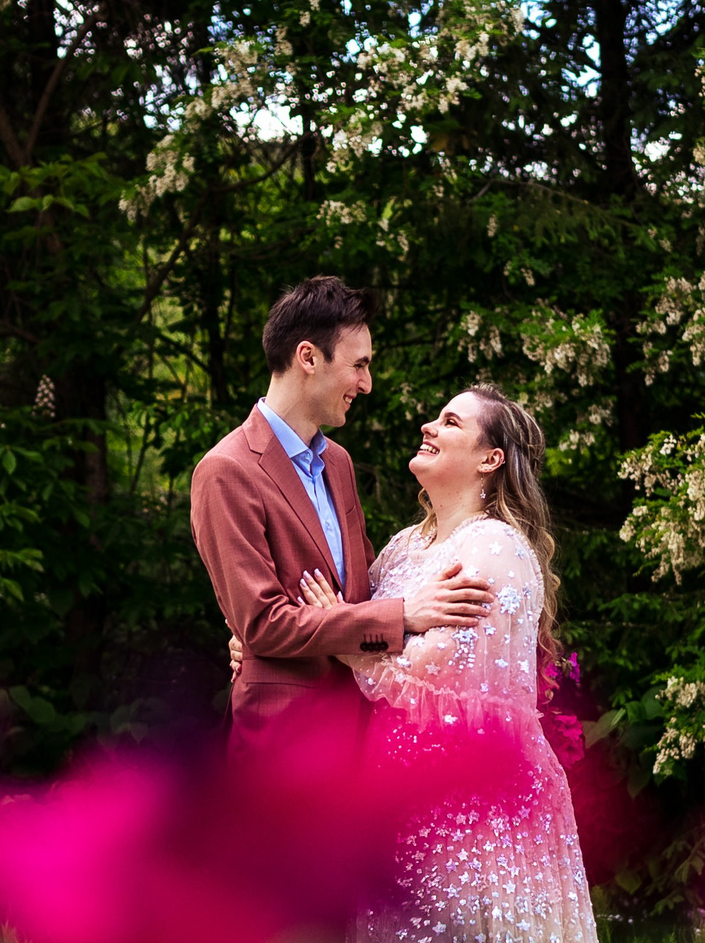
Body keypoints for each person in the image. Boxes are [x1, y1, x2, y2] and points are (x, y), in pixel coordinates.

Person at [252, 383, 636, 943]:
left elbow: (420, 683)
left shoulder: (495, 550)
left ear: (490, 460)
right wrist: (298, 645)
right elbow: (365, 649)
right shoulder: (399, 551)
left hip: (477, 819)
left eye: (451, 421)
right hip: (408, 812)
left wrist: (340, 640)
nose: (428, 423)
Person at [189, 277, 493, 758]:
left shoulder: (339, 463)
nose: (367, 384)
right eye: (359, 365)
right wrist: (403, 615)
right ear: (308, 358)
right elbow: (265, 624)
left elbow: (361, 593)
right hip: (282, 749)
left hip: (364, 738)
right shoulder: (226, 471)